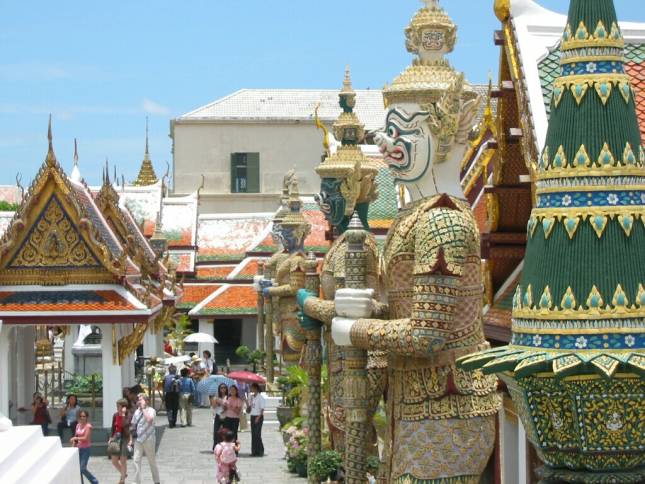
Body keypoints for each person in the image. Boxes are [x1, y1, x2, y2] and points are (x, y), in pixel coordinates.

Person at [129, 393, 160, 484]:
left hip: (149, 438)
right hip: (138, 439)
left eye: (141, 399)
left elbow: (149, 420)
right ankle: (136, 482)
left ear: (146, 401)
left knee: (151, 460)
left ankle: (156, 481)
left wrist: (143, 409)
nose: (139, 401)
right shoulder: (137, 411)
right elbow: (133, 425)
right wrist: (131, 439)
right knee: (136, 460)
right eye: (138, 399)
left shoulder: (151, 410)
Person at [71, 410, 98, 484]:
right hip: (78, 449)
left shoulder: (88, 426)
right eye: (81, 416)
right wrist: (73, 445)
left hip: (85, 449)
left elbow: (86, 438)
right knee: (78, 469)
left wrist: (76, 438)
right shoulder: (78, 425)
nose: (82, 418)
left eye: (84, 416)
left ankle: (94, 481)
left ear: (87, 417)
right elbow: (76, 436)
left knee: (82, 468)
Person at [108, 399, 129, 484]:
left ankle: (122, 480)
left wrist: (123, 415)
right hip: (116, 438)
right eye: (117, 406)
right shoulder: (115, 415)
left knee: (123, 461)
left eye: (119, 406)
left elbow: (125, 426)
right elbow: (113, 428)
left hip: (124, 439)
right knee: (114, 461)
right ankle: (123, 474)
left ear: (124, 407)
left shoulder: (128, 415)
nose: (117, 408)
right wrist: (111, 437)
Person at [247, 383, 265, 457]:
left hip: (258, 416)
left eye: (252, 388)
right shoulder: (252, 397)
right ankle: (254, 451)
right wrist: (249, 402)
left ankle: (260, 450)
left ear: (256, 389)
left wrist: (258, 417)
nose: (251, 389)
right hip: (252, 416)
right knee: (253, 434)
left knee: (257, 434)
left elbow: (262, 409)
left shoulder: (260, 398)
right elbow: (250, 409)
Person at [211, 383, 228, 449]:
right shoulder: (216, 397)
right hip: (218, 415)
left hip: (226, 416)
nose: (223, 389)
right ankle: (216, 446)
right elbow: (214, 407)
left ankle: (225, 446)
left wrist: (224, 405)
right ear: (219, 389)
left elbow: (228, 407)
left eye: (224, 387)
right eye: (221, 388)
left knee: (225, 432)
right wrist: (216, 402)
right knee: (216, 432)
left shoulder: (228, 397)